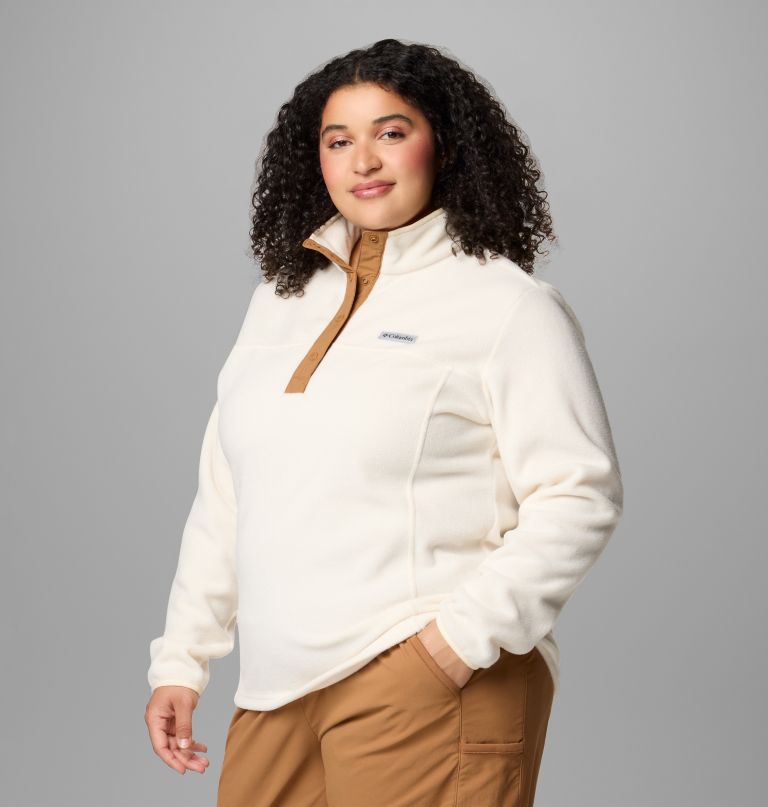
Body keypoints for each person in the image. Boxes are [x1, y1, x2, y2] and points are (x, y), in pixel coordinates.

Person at [144, 38, 624, 807]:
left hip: (428, 674)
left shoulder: (506, 305)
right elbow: (226, 495)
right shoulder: (279, 302)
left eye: (391, 132)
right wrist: (182, 659)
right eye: (339, 141)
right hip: (277, 688)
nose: (363, 159)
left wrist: (453, 646)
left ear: (445, 145)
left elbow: (580, 493)